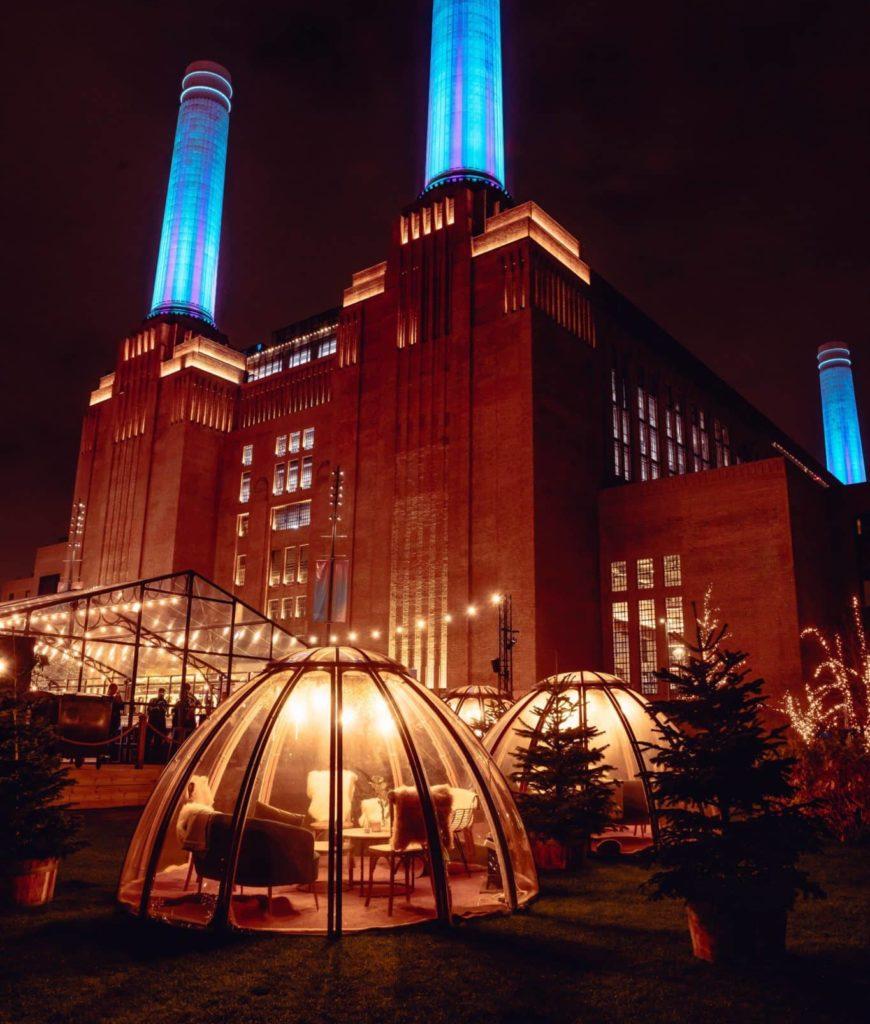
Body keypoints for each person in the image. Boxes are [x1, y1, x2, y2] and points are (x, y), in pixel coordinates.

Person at [172, 682, 200, 747]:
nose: (180, 691)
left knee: (183, 742)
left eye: (181, 689)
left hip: (185, 724)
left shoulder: (189, 698)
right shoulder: (190, 698)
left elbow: (195, 706)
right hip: (186, 723)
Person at [146, 687, 170, 762]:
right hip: (153, 722)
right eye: (160, 692)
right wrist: (157, 707)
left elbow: (166, 711)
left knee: (158, 740)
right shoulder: (153, 700)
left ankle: (156, 758)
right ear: (158, 692)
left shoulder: (164, 701)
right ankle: (148, 757)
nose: (161, 694)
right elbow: (148, 710)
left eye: (162, 693)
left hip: (159, 723)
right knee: (149, 739)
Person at [106, 682, 125, 761]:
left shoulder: (112, 697)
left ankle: (109, 754)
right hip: (113, 720)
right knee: (112, 737)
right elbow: (121, 707)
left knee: (110, 737)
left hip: (110, 720)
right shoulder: (110, 698)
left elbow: (121, 707)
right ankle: (110, 755)